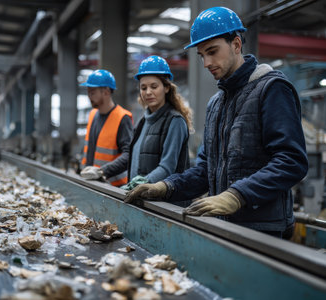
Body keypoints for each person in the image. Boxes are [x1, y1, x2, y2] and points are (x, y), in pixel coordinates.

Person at [125, 7, 308, 238]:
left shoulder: (271, 89)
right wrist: (166, 186)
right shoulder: (216, 104)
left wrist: (237, 195)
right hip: (224, 226)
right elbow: (204, 169)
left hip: (263, 231)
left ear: (236, 44)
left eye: (212, 51)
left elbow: (292, 162)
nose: (206, 63)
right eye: (202, 55)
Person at [121, 55, 192, 192]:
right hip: (143, 198)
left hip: (166, 203)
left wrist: (144, 182)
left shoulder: (175, 121)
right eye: (143, 88)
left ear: (166, 88)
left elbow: (167, 167)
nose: (148, 92)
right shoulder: (143, 122)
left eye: (154, 86)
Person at [79, 69, 133, 187]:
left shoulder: (122, 118)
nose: (89, 96)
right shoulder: (93, 114)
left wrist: (102, 171)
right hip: (92, 182)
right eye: (88, 92)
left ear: (106, 92)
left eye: (92, 92)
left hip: (113, 187)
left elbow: (129, 154)